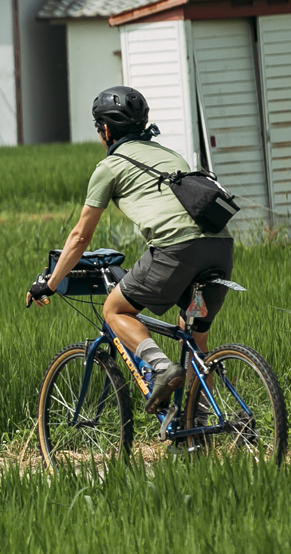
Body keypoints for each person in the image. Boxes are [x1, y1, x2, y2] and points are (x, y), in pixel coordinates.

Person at [31, 85, 234, 412]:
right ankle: (200, 429)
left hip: (176, 249)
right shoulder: (171, 155)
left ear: (106, 130)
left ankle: (161, 368)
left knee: (115, 311)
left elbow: (80, 237)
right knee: (193, 340)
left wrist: (49, 283)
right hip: (220, 248)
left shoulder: (109, 167)